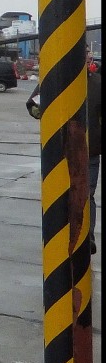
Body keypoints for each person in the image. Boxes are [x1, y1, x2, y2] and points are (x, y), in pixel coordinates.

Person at [87, 51, 101, 254]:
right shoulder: (54, 77)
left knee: (86, 193)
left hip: (91, 150)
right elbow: (35, 103)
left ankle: (87, 236)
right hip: (61, 151)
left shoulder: (98, 82)